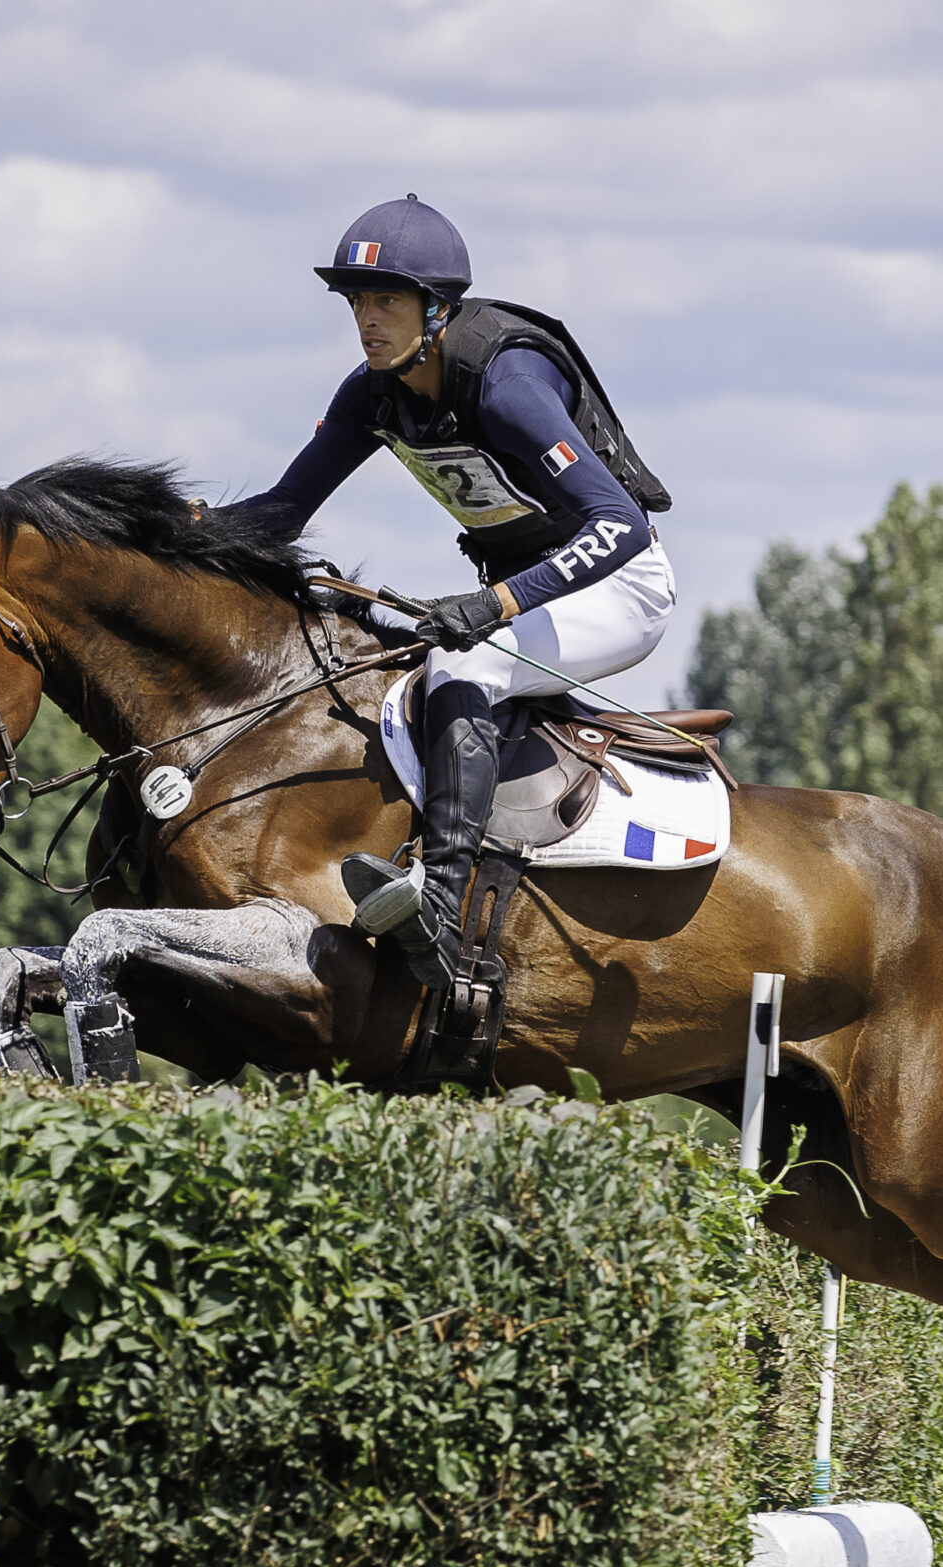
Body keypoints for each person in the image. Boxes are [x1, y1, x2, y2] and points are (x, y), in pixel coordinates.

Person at [216, 195, 676, 988]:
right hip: (533, 598)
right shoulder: (374, 394)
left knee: (468, 667)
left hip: (619, 587)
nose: (367, 320)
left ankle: (441, 900)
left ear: (438, 308)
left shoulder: (506, 386)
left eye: (387, 300)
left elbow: (621, 526)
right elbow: (281, 515)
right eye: (358, 301)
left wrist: (497, 604)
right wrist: (164, 530)